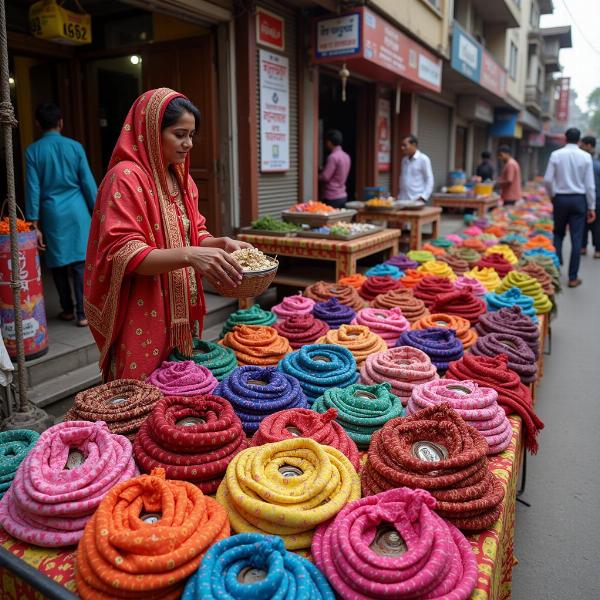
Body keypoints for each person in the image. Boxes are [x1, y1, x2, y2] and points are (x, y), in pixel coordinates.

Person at [85, 88, 252, 381]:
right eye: (179, 134)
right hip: (144, 306)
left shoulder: (181, 178)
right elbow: (125, 252)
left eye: (191, 135)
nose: (188, 144)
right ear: (150, 131)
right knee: (140, 395)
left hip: (179, 309)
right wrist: (191, 255)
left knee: (177, 389)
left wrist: (220, 243)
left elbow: (194, 233)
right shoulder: (125, 177)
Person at [25, 102, 97, 327]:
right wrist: (98, 210)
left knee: (57, 263)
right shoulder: (75, 147)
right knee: (79, 263)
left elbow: (32, 188)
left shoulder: (33, 151)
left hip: (52, 212)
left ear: (38, 124)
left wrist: (33, 223)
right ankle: (82, 314)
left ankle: (66, 309)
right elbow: (87, 181)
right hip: (77, 211)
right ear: (61, 122)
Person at [544, 127, 596, 287]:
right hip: (579, 200)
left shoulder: (556, 154)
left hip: (560, 199)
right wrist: (591, 207)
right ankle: (573, 278)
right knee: (577, 239)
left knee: (558, 234)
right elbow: (589, 185)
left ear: (565, 138)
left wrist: (553, 195)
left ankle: (556, 270)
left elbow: (547, 180)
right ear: (579, 140)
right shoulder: (586, 157)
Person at [579, 135, 600, 258]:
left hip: (584, 198)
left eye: (582, 144)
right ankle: (598, 250)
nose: (580, 146)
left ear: (589, 146)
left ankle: (583, 247)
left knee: (583, 224)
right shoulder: (597, 164)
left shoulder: (583, 163)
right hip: (597, 199)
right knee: (597, 226)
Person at [318, 129, 351, 208]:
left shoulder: (333, 157)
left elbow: (325, 177)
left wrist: (315, 176)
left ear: (329, 142)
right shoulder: (346, 156)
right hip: (342, 195)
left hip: (331, 197)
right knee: (340, 220)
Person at [398, 135, 434, 202]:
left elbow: (429, 179)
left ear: (413, 145)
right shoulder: (404, 160)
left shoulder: (423, 159)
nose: (402, 148)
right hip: (403, 199)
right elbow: (402, 178)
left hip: (417, 199)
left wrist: (424, 197)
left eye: (405, 145)